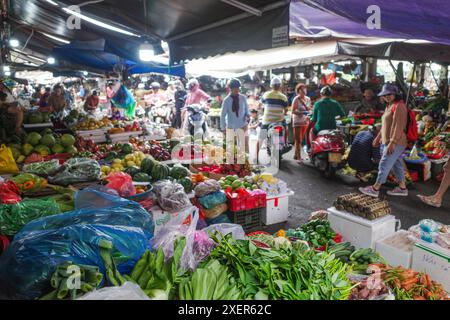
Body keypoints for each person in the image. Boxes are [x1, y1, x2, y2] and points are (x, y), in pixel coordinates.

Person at [359, 84, 409, 197]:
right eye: (385, 95)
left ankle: (375, 188)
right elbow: (385, 125)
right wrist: (378, 138)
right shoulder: (389, 105)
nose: (387, 96)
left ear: (395, 94)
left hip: (397, 142)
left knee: (384, 164)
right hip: (390, 141)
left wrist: (392, 142)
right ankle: (402, 188)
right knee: (396, 165)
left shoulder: (399, 106)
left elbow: (398, 126)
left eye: (389, 94)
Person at [257, 77, 288, 160]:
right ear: (280, 86)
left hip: (267, 121)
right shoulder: (283, 97)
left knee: (261, 137)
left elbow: (260, 105)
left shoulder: (266, 94)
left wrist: (262, 110)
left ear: (271, 86)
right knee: (285, 129)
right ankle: (285, 144)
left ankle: (256, 156)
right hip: (279, 121)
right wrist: (283, 113)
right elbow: (286, 110)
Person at [220, 79, 249, 163]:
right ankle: (232, 166)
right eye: (234, 88)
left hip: (243, 126)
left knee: (244, 147)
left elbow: (247, 110)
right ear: (230, 88)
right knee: (232, 149)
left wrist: (248, 116)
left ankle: (245, 164)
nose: (237, 90)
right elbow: (222, 115)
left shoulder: (243, 98)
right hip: (231, 127)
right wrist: (223, 128)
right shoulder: (226, 100)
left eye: (238, 88)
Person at [291, 83, 311, 163]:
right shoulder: (296, 99)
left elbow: (309, 108)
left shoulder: (308, 99)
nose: (303, 91)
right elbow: (293, 111)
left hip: (305, 121)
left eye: (304, 89)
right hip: (297, 121)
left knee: (301, 139)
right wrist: (301, 112)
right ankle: (299, 157)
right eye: (301, 89)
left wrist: (308, 112)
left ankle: (296, 154)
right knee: (298, 139)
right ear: (298, 91)